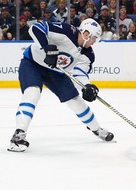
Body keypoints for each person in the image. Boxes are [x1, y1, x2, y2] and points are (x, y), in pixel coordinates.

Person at [7, 18, 114, 152]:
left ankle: (97, 129)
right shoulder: (66, 31)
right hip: (32, 64)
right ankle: (18, 135)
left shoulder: (88, 55)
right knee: (32, 93)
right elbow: (36, 28)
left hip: (57, 73)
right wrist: (46, 48)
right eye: (94, 38)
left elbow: (80, 73)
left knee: (76, 102)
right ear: (86, 34)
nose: (94, 42)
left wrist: (86, 86)